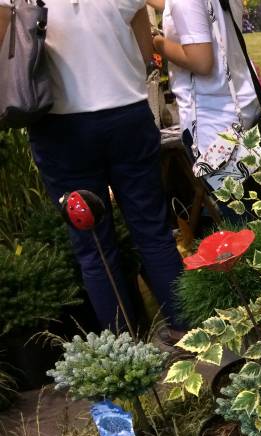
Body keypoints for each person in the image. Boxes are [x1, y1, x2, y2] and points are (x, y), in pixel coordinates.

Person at [0, 0, 186, 339]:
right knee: (152, 230)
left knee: (94, 246)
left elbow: (6, 39)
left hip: (60, 123)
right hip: (127, 111)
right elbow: (144, 46)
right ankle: (186, 331)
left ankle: (124, 350)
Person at [148, 0, 260, 159]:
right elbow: (193, 11)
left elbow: (201, 62)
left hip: (213, 125)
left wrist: (157, 42)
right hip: (240, 105)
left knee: (222, 176)